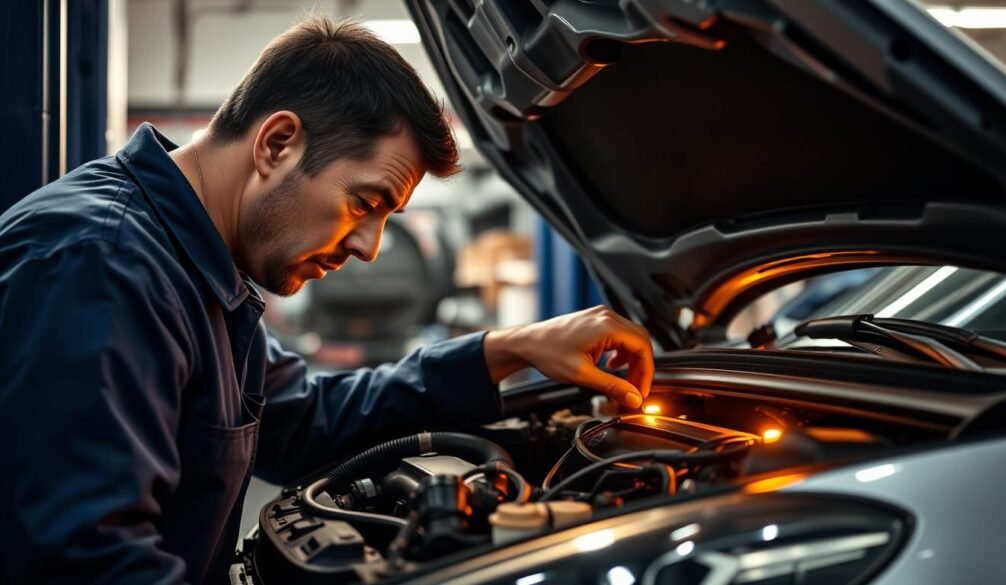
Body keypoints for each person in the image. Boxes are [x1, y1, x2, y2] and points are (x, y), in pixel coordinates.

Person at [0, 15, 653, 584]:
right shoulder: (102, 265)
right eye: (366, 202)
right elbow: (85, 562)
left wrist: (505, 348)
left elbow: (303, 421)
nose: (369, 248)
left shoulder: (194, 269)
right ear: (276, 144)